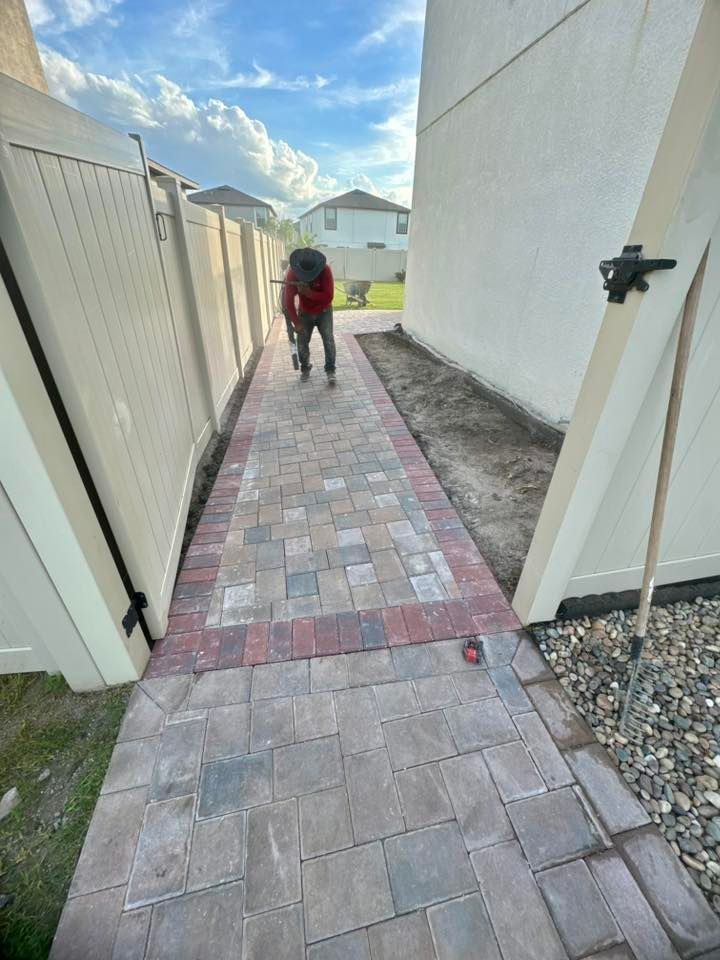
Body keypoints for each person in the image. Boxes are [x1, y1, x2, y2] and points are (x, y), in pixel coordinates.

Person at [282, 247, 336, 385]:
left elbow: (329, 297)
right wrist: (297, 323)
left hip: (324, 311)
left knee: (328, 340)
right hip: (305, 312)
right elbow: (288, 302)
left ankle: (330, 370)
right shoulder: (292, 274)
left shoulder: (325, 271)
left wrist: (309, 293)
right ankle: (305, 367)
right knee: (302, 342)